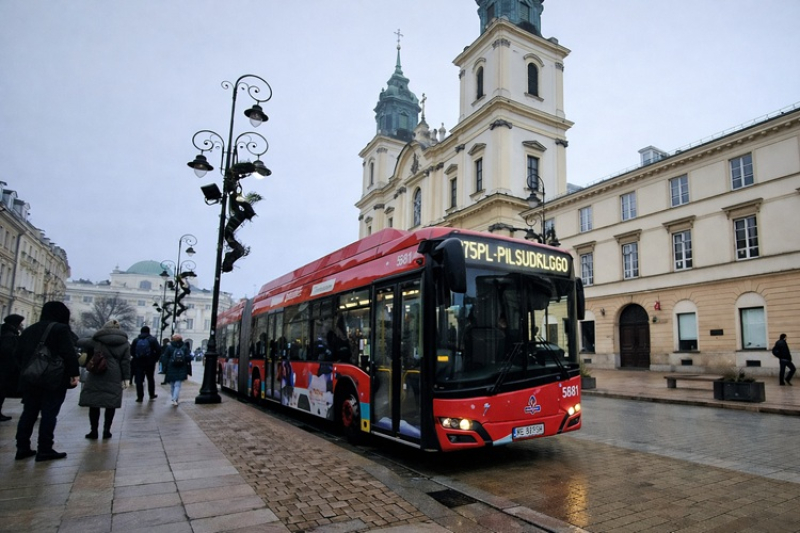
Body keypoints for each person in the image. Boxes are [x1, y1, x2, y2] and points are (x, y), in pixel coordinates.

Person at [14, 301, 80, 462]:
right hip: (53, 379)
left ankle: (22, 447)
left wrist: (28, 370)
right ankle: (45, 448)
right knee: (49, 414)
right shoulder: (60, 329)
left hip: (31, 378)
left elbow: (17, 354)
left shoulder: (30, 329)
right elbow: (69, 353)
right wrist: (74, 374)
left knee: (28, 413)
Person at [78, 320, 131, 439]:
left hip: (97, 371)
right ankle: (107, 430)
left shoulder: (97, 340)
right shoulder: (124, 343)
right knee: (110, 403)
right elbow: (125, 362)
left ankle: (94, 431)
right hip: (115, 373)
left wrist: (94, 336)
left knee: (94, 402)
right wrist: (126, 378)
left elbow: (80, 342)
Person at [0, 314, 24, 421]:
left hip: (4, 369)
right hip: (5, 369)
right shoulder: (9, 336)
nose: (21, 325)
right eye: (20, 323)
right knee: (1, 391)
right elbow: (9, 353)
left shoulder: (6, 333)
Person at [130, 326, 160, 402]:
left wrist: (136, 357)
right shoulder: (153, 340)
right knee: (150, 378)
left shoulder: (136, 340)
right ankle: (151, 394)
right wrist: (155, 359)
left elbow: (132, 351)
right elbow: (159, 350)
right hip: (150, 362)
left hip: (138, 362)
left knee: (139, 380)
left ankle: (140, 397)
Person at [161, 334, 191, 406]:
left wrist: (165, 366)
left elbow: (165, 357)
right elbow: (188, 357)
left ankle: (174, 398)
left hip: (171, 367)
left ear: (173, 339)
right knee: (178, 384)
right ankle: (175, 399)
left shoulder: (169, 347)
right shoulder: (184, 347)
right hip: (182, 367)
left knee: (172, 384)